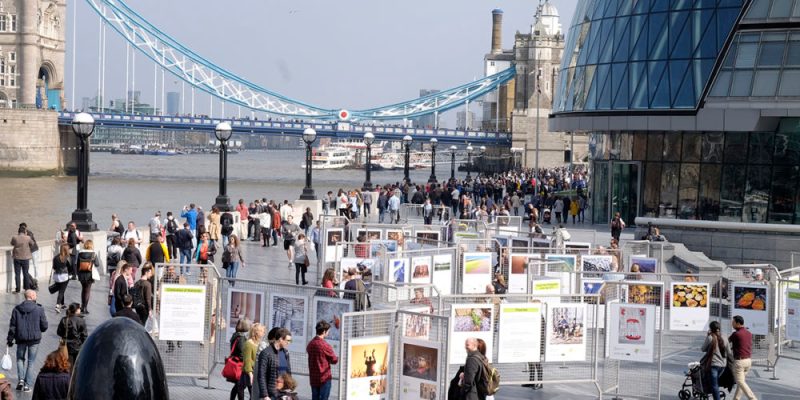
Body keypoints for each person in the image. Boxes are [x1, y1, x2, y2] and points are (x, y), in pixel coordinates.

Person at [6, 290, 48, 392]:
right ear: (32, 296)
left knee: (20, 359)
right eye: (35, 295)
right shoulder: (39, 309)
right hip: (34, 340)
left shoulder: (16, 309)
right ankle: (27, 385)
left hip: (21, 339)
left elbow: (12, 327)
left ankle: (20, 380)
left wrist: (10, 339)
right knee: (31, 361)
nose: (36, 296)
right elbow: (44, 326)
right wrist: (39, 330)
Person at [256, 327, 293, 400]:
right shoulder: (266, 353)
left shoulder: (285, 353)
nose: (289, 343)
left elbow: (288, 372)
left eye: (290, 341)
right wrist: (265, 395)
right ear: (280, 339)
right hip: (271, 394)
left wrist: (290, 389)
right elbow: (261, 375)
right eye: (287, 340)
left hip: (283, 392)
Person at [307, 320, 339, 400]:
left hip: (313, 377)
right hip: (324, 378)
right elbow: (334, 360)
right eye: (328, 331)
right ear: (324, 331)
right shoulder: (325, 345)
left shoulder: (311, 344)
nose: (328, 333)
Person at [729, 315, 757, 400]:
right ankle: (736, 399)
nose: (732, 324)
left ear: (738, 323)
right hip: (748, 361)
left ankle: (753, 398)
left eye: (733, 322)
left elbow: (726, 342)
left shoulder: (736, 334)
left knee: (740, 382)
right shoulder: (749, 333)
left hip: (739, 362)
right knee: (742, 383)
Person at [237, 323, 265, 400]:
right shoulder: (249, 343)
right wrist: (250, 374)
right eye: (262, 331)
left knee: (252, 393)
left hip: (256, 371)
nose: (264, 333)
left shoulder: (259, 343)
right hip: (250, 372)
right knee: (251, 392)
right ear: (256, 332)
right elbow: (247, 359)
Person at [701, 321, 728, 400]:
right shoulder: (725, 337)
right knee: (714, 383)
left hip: (714, 365)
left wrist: (707, 336)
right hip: (723, 365)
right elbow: (728, 351)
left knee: (714, 385)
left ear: (710, 329)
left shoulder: (710, 337)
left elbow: (703, 349)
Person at [76, 240, 99, 314]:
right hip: (89, 274)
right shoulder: (93, 254)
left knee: (83, 290)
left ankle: (82, 306)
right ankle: (85, 308)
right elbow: (97, 264)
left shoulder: (80, 253)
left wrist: (77, 274)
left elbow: (77, 265)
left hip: (81, 274)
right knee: (87, 290)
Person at [11, 225, 35, 293]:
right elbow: (32, 243)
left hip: (17, 257)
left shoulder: (14, 237)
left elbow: (12, 243)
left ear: (18, 231)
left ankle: (18, 289)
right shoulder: (28, 238)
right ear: (24, 231)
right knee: (26, 273)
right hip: (25, 258)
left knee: (17, 274)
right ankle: (27, 288)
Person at [51, 244, 72, 313]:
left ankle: (62, 304)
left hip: (57, 276)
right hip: (64, 276)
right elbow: (70, 268)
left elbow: (54, 267)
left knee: (61, 289)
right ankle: (57, 305)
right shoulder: (67, 257)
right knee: (61, 291)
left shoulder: (56, 257)